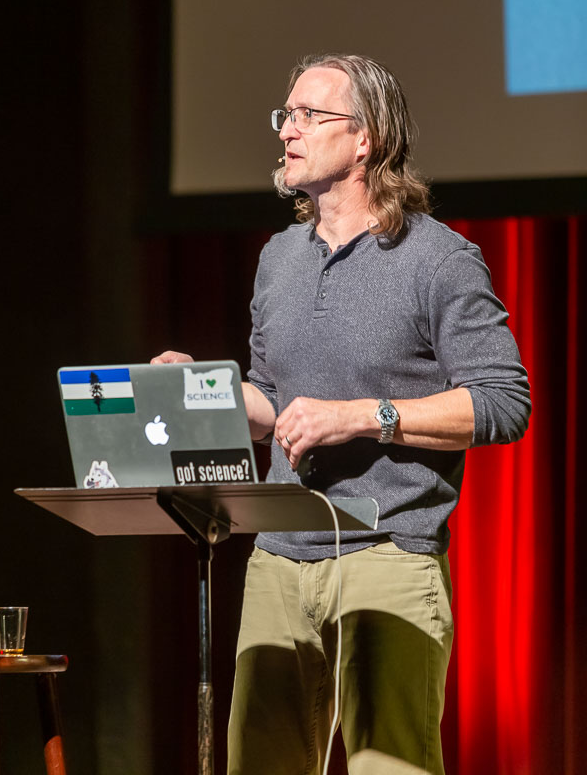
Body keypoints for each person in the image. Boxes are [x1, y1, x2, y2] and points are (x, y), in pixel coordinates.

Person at [152, 53, 531, 775]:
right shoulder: (278, 258)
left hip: (388, 553)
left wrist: (362, 415)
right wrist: (205, 390)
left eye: (308, 115)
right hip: (278, 554)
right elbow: (274, 402)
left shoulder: (439, 260)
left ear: (365, 140)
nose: (287, 131)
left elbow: (503, 402)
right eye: (285, 115)